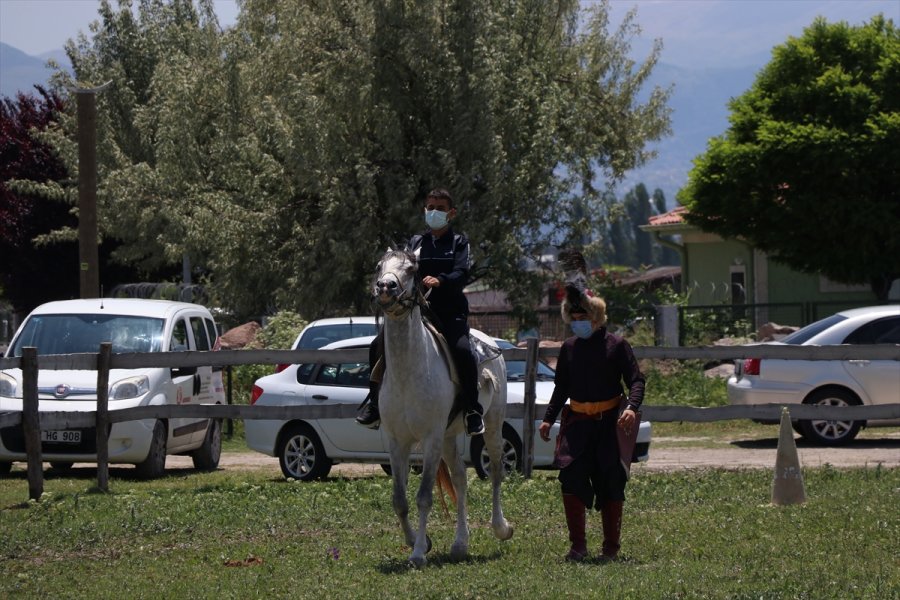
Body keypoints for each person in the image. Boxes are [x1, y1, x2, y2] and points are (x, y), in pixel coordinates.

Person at [356, 188, 485, 436]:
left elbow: (462, 273)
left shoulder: (460, 243)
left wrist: (442, 281)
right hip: (417, 314)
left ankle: (472, 409)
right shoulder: (416, 243)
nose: (433, 212)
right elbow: (403, 270)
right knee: (376, 346)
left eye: (440, 208)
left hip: (449, 314)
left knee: (462, 351)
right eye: (430, 207)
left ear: (452, 213)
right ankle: (374, 404)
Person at [538, 281, 644, 562]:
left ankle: (611, 547)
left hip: (609, 425)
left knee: (611, 482)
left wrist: (632, 407)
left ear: (596, 318)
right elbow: (561, 387)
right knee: (570, 478)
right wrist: (548, 419)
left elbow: (636, 380)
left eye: (583, 318)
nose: (578, 324)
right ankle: (578, 546)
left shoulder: (618, 345)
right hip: (577, 425)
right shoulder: (569, 348)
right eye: (573, 319)